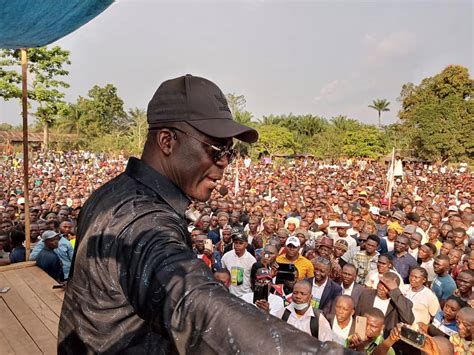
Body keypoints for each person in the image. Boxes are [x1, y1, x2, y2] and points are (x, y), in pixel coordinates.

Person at [58, 75, 337, 354]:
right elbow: (194, 302)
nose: (225, 162)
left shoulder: (112, 192)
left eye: (230, 152)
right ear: (167, 141)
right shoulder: (141, 220)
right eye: (216, 149)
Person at [221, 231, 256, 297]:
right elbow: (223, 273)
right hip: (230, 294)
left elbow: (253, 279)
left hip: (246, 295)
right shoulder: (226, 256)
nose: (237, 245)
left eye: (240, 243)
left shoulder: (251, 260)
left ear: (246, 244)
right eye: (236, 243)